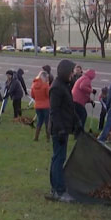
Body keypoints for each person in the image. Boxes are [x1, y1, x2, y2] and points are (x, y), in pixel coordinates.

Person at [46, 59, 80, 203]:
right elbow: (55, 111)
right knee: (58, 159)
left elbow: (69, 108)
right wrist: (59, 130)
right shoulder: (57, 88)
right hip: (59, 130)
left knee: (59, 158)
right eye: (71, 72)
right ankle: (58, 191)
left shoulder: (65, 85)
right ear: (65, 71)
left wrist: (77, 122)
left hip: (64, 127)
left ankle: (56, 188)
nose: (73, 74)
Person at [31, 71, 51, 141]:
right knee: (47, 121)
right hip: (46, 105)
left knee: (39, 121)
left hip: (37, 105)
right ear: (44, 77)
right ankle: (48, 138)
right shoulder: (45, 85)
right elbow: (48, 95)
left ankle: (36, 137)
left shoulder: (33, 84)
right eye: (47, 77)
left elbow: (32, 95)